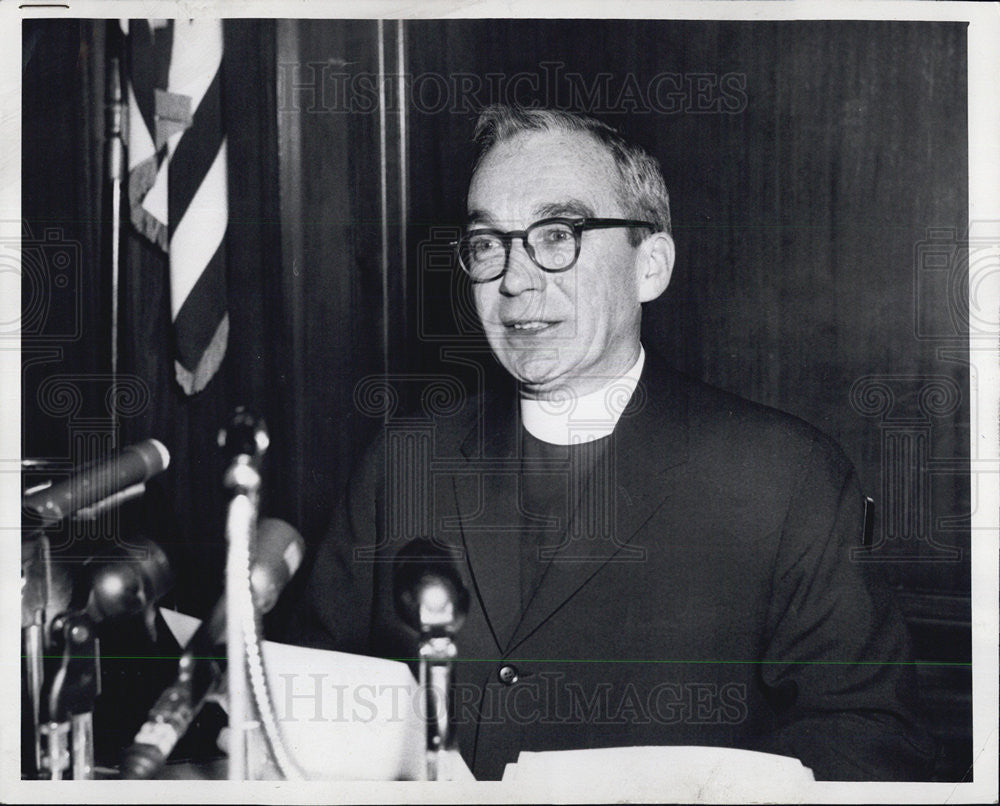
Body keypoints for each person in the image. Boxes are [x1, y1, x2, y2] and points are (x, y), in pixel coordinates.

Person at [286, 105, 935, 781]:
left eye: (557, 234)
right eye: (487, 244)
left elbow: (869, 741)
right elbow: (304, 703)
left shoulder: (784, 478)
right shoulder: (404, 463)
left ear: (649, 265)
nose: (514, 279)